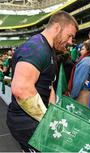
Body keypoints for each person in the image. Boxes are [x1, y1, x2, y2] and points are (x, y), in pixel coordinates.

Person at [6, 11, 78, 152]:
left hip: (34, 120)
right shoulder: (36, 48)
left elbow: (49, 84)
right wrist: (49, 121)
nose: (70, 42)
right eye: (70, 36)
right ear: (57, 27)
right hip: (27, 123)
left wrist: (54, 112)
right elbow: (21, 89)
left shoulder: (49, 49)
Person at [69, 41, 90, 106]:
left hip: (82, 95)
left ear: (88, 50)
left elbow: (79, 81)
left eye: (82, 49)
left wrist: (72, 97)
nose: (80, 51)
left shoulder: (86, 62)